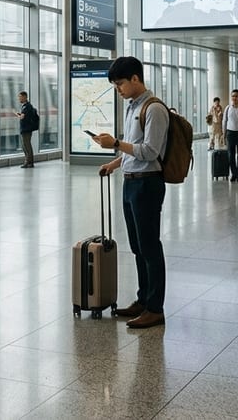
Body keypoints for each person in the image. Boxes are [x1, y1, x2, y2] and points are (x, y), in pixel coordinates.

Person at [91, 56, 167, 329]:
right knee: (137, 247)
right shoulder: (132, 107)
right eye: (115, 85)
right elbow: (133, 149)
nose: (118, 89)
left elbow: (150, 151)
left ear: (136, 78)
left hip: (147, 183)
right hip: (131, 181)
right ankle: (143, 299)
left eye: (120, 83)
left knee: (149, 246)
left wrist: (115, 143)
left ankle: (155, 308)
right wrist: (113, 162)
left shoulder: (154, 109)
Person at [15, 91, 40, 168]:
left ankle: (29, 162)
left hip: (26, 129)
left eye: (20, 97)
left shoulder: (27, 106)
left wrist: (17, 115)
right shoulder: (26, 106)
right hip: (26, 129)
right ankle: (29, 162)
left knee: (26, 146)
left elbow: (22, 117)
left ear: (25, 97)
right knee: (25, 145)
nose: (19, 98)